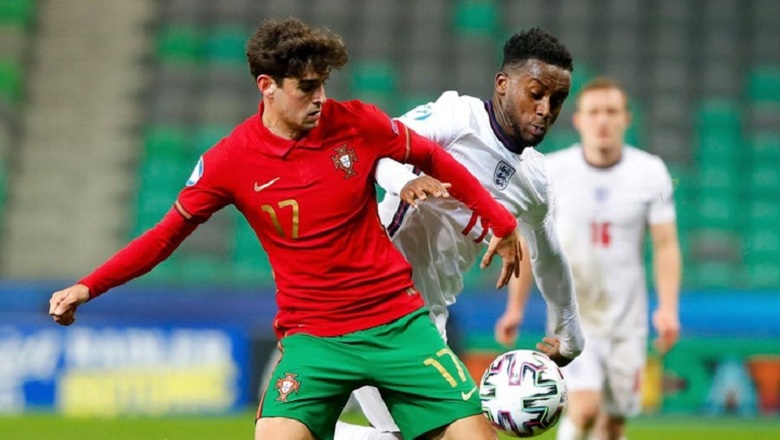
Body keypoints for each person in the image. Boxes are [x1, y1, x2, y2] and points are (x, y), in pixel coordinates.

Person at [48, 18, 524, 440]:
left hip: (397, 322)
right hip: (313, 338)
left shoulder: (357, 122)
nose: (321, 98)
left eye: (323, 85)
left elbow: (433, 156)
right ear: (267, 86)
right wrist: (89, 286)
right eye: (306, 87)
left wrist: (500, 222)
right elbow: (164, 235)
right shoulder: (229, 161)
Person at [335, 28, 585, 440]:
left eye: (556, 100)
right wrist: (403, 181)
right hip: (377, 298)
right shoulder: (456, 118)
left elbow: (549, 256)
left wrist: (570, 334)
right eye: (536, 93)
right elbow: (372, 148)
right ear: (503, 84)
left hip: (427, 317)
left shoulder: (535, 181)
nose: (545, 109)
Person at [505, 77, 682, 440]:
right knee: (584, 408)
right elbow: (529, 240)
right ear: (579, 120)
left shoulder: (651, 173)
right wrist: (515, 308)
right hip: (573, 314)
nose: (603, 120)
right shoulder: (552, 171)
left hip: (627, 320)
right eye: (594, 112)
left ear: (626, 119)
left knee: (613, 424)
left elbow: (665, 244)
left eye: (611, 112)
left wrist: (668, 308)